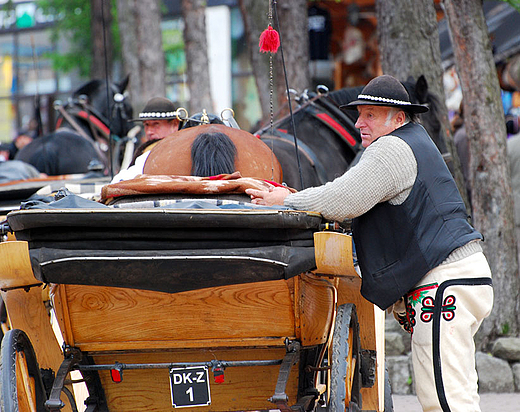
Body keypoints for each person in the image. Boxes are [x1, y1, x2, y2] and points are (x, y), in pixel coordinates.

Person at [246, 75, 493, 412]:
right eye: (359, 114)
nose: (359, 122)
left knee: (445, 400)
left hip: (445, 284)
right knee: (456, 393)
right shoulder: (412, 141)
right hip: (459, 277)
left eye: (371, 115)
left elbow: (343, 199)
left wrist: (285, 201)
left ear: (399, 117)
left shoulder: (392, 148)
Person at [111, 97, 180, 183]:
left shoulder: (155, 153)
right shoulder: (146, 151)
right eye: (146, 125)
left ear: (175, 125)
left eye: (156, 124)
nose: (149, 131)